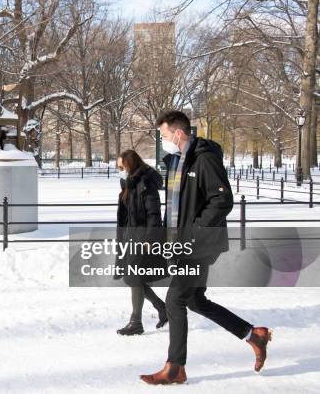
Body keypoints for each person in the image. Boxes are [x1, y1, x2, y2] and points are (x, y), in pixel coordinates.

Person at [140, 110, 271, 385]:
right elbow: (174, 208)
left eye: (164, 135)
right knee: (194, 300)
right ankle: (253, 335)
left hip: (199, 244)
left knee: (175, 299)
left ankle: (175, 367)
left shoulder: (205, 158)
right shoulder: (176, 162)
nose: (162, 140)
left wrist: (194, 232)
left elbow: (222, 201)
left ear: (178, 133)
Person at [116, 150, 168, 336]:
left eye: (122, 167)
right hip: (130, 238)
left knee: (134, 278)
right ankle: (162, 308)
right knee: (131, 278)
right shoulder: (129, 183)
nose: (120, 170)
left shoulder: (145, 183)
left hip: (143, 239)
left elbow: (154, 213)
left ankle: (136, 321)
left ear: (131, 165)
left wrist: (150, 240)